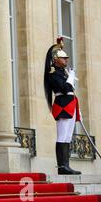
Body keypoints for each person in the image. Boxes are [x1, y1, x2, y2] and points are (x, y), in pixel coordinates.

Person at [44, 37, 81, 175]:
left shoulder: (63, 73)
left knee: (67, 136)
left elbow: (71, 92)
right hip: (62, 106)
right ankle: (61, 166)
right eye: (63, 58)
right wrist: (71, 77)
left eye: (66, 58)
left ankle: (66, 165)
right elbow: (65, 89)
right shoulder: (53, 74)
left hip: (70, 105)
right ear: (56, 60)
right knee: (62, 136)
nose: (66, 60)